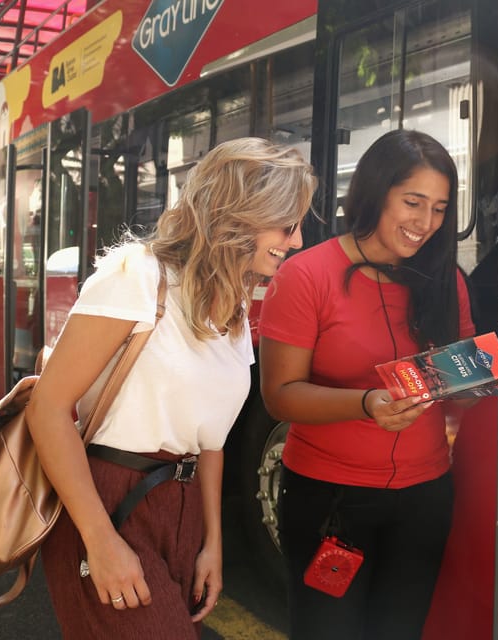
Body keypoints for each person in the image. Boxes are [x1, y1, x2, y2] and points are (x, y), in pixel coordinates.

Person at [24, 137, 316, 639]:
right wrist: (100, 539)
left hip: (181, 512)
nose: (297, 241)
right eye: (287, 225)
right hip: (110, 501)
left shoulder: (234, 309)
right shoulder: (136, 275)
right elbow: (47, 409)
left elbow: (212, 445)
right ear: (241, 214)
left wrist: (212, 545)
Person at [258, 129, 475, 640]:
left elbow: (457, 371)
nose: (425, 223)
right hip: (331, 503)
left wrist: (473, 380)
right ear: (377, 192)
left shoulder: (446, 280)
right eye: (413, 202)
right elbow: (279, 395)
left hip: (425, 498)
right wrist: (366, 402)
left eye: (440, 208)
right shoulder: (306, 275)